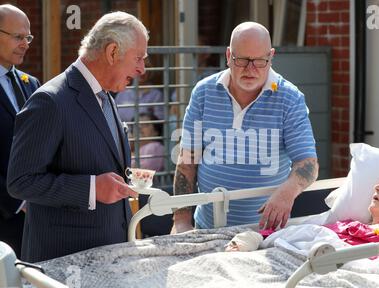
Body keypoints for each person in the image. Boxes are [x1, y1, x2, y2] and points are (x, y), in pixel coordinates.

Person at [7, 11, 148, 262]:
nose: (142, 69)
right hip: (66, 262)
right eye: (138, 58)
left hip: (110, 257)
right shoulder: (49, 101)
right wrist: (92, 188)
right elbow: (21, 181)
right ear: (113, 52)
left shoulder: (106, 97)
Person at [171, 21, 319, 234]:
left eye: (259, 61)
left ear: (271, 57)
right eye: (242, 60)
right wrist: (181, 220)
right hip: (207, 227)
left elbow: (308, 164)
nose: (251, 70)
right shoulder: (203, 93)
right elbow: (186, 162)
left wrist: (286, 193)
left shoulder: (290, 98)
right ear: (228, 55)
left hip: (264, 234)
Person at [226, 168, 379, 265]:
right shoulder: (346, 225)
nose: (378, 186)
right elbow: (294, 235)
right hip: (293, 263)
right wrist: (252, 239)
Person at [0, 4, 40, 258]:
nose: (25, 43)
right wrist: (17, 201)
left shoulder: (32, 83)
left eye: (28, 37)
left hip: (35, 218)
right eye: (18, 37)